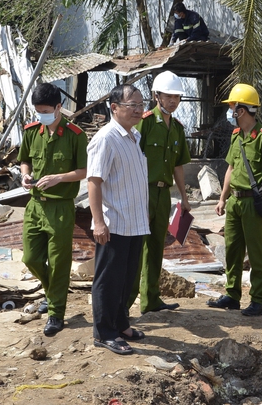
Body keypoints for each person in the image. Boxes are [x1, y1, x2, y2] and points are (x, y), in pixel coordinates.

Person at [208, 83, 262, 316]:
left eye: (232, 106)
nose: (230, 111)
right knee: (232, 249)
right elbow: (231, 169)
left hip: (253, 204)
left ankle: (259, 300)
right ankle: (232, 295)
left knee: (256, 252)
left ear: (241, 110)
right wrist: (222, 199)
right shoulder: (236, 135)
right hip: (234, 202)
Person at [19, 83, 88, 336]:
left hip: (60, 207)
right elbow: (24, 160)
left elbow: (85, 171)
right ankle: (52, 292)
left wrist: (59, 178)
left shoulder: (75, 135)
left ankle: (56, 313)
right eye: (38, 111)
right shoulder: (31, 132)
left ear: (59, 107)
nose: (41, 116)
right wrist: (25, 176)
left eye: (46, 111)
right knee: (30, 258)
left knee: (59, 263)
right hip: (35, 205)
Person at [88, 84, 150, 355]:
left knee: (126, 278)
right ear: (114, 108)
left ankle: (121, 323)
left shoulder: (133, 136)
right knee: (108, 280)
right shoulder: (106, 138)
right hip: (114, 223)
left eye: (140, 104)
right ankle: (104, 332)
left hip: (135, 221)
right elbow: (94, 182)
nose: (138, 109)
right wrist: (98, 222)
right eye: (132, 105)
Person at [127, 71, 192, 314]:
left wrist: (184, 198)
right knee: (136, 250)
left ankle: (150, 300)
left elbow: (178, 165)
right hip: (142, 193)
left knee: (155, 248)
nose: (173, 101)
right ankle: (124, 305)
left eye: (177, 96)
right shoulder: (143, 122)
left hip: (163, 195)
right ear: (157, 96)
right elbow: (132, 158)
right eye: (168, 96)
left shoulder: (177, 128)